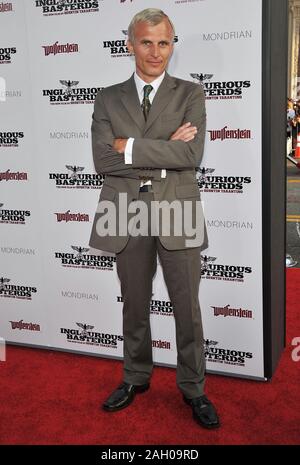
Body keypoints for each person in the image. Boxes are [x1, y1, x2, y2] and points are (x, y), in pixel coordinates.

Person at [89, 8, 219, 429]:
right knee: (135, 305)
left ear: (172, 44)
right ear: (130, 45)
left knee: (188, 308)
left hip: (177, 209)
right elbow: (103, 160)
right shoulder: (108, 97)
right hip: (123, 211)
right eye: (147, 42)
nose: (156, 52)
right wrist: (163, 152)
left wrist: (131, 147)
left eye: (164, 42)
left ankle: (194, 387)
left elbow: (191, 156)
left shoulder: (190, 93)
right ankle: (135, 377)